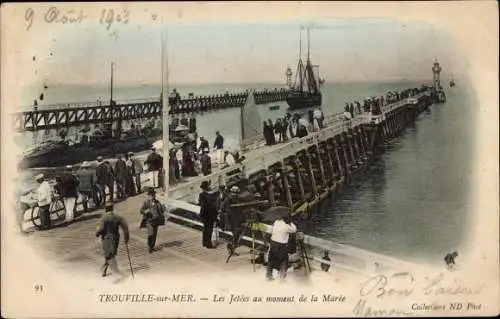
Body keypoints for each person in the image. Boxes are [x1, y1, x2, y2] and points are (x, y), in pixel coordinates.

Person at [95, 202, 130, 277]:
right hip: (115, 238)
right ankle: (105, 268)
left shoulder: (104, 217)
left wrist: (97, 233)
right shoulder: (117, 217)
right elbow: (125, 227)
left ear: (106, 209)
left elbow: (101, 229)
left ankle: (115, 272)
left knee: (109, 254)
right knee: (111, 254)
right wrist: (126, 237)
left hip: (107, 239)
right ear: (112, 208)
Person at [266, 215, 297, 280]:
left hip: (273, 242)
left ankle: (268, 274)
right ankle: (282, 277)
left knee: (271, 259)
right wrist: (291, 223)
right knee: (284, 260)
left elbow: (271, 229)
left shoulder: (276, 222)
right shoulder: (287, 226)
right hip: (281, 245)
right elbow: (294, 229)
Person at [139, 187, 166, 253]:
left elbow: (161, 211)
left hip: (156, 221)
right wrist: (146, 212)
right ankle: (149, 246)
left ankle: (152, 246)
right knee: (151, 233)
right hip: (149, 221)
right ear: (149, 196)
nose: (153, 196)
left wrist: (163, 208)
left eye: (153, 195)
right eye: (151, 195)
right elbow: (141, 210)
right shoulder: (146, 202)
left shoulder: (157, 202)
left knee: (155, 234)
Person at [198, 181, 217, 249]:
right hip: (210, 215)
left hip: (204, 214)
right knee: (209, 230)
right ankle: (209, 244)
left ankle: (204, 242)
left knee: (205, 229)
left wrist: (201, 215)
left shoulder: (201, 195)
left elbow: (201, 204)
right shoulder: (210, 195)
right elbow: (212, 205)